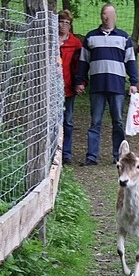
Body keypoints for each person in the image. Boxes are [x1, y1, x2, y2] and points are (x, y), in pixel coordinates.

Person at [75, 3, 138, 166]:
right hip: (97, 86)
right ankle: (91, 156)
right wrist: (80, 81)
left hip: (116, 86)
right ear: (101, 16)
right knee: (95, 122)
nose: (107, 17)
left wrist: (134, 82)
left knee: (117, 121)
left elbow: (130, 61)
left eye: (110, 14)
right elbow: (83, 62)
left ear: (115, 16)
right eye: (104, 14)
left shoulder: (124, 38)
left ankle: (119, 157)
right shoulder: (90, 37)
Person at [58, 10, 82, 165]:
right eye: (61, 22)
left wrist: (80, 83)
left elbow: (80, 66)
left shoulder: (75, 43)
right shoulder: (49, 41)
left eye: (67, 23)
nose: (64, 25)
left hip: (68, 88)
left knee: (68, 121)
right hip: (52, 89)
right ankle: (53, 151)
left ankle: (66, 154)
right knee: (54, 121)